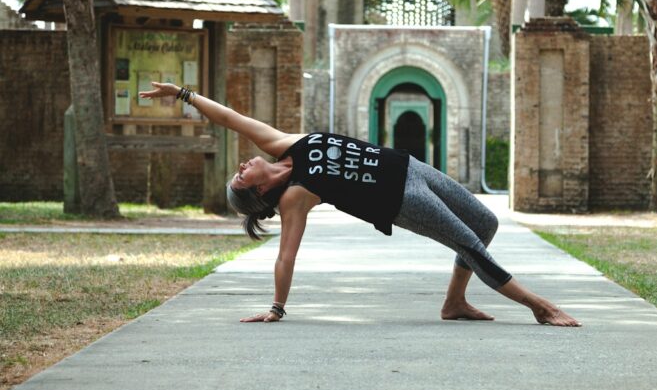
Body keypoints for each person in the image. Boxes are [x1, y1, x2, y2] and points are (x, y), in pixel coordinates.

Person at [140, 82, 580, 327]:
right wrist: (276, 308)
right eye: (240, 176)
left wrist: (182, 94)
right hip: (400, 199)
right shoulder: (296, 197)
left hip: (411, 168)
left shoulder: (283, 144)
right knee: (470, 243)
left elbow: (230, 117)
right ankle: (540, 307)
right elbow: (285, 256)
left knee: (484, 223)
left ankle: (454, 303)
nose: (242, 164)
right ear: (257, 195)